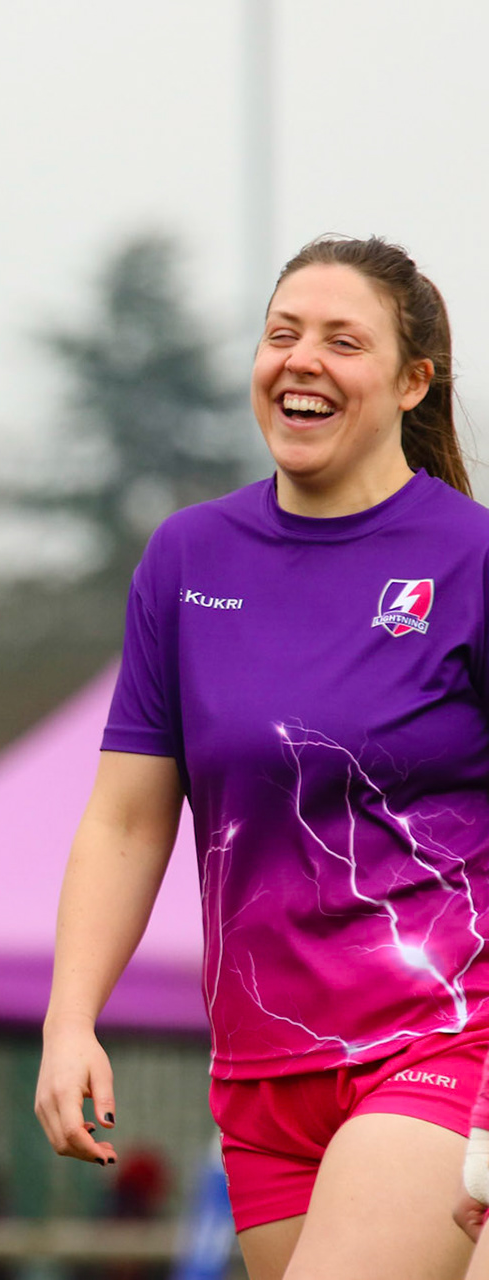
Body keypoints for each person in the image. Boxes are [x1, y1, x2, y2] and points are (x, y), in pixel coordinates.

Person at [35, 235, 489, 1280]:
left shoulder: (470, 558)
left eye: (343, 340)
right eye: (282, 333)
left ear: (414, 380)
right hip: (258, 1082)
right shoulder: (188, 557)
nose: (301, 360)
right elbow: (126, 819)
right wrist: (69, 1020)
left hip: (437, 1046)